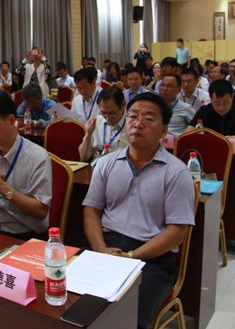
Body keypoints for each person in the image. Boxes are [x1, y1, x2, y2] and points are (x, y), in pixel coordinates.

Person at [83, 92, 195, 329]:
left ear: (164, 131)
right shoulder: (106, 163)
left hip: (152, 257)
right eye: (133, 116)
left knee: (129, 318)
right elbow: (91, 211)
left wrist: (132, 257)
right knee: (69, 300)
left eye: (149, 118)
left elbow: (177, 232)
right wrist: (100, 249)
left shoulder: (176, 173)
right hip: (106, 245)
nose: (138, 123)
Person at [0, 91, 52, 240]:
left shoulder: (37, 157)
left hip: (27, 236)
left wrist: (3, 188)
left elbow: (41, 211)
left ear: (11, 120)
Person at [185, 80, 235, 147]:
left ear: (232, 97)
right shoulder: (204, 111)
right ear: (210, 98)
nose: (221, 108)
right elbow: (186, 136)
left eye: (225, 103)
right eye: (217, 103)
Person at [78, 86, 128, 163]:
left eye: (112, 113)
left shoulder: (132, 125)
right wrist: (88, 134)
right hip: (96, 166)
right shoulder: (95, 122)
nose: (107, 118)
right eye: (103, 113)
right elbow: (84, 157)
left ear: (123, 105)